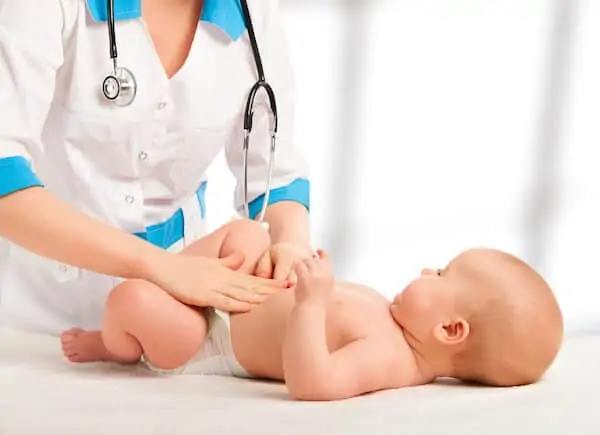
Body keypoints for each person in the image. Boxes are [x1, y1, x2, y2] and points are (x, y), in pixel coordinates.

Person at [0, 0, 313, 335]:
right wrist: (161, 268)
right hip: (38, 312)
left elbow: (275, 176)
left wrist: (292, 247)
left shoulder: (252, 9)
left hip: (176, 315)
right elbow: (5, 176)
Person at [61, 219, 564, 401]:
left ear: (450, 329)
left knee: (130, 298)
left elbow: (312, 382)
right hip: (234, 298)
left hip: (210, 341)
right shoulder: (394, 320)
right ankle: (180, 279)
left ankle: (113, 345)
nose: (429, 270)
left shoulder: (393, 361)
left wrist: (310, 304)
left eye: (442, 275)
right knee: (248, 234)